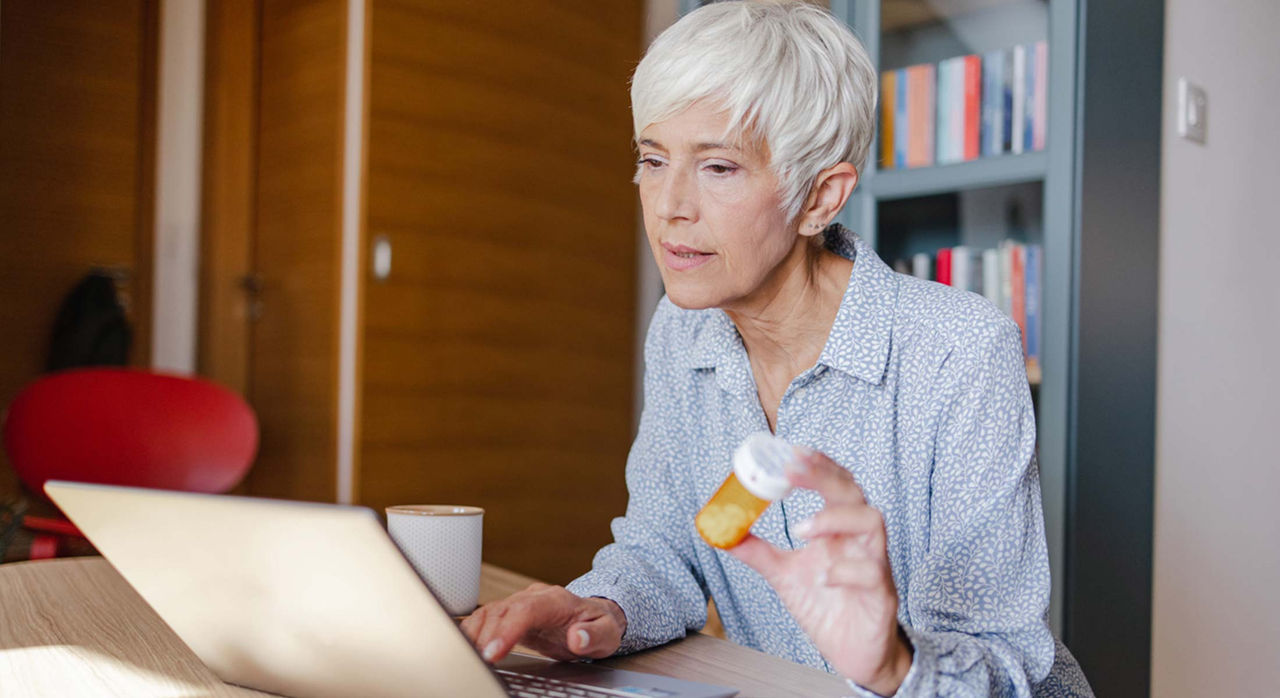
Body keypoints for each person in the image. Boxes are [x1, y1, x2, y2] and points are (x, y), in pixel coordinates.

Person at [461, 2, 1092, 695]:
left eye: (719, 167)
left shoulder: (959, 353)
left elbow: (1004, 653)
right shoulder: (681, 332)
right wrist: (600, 610)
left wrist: (893, 664)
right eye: (653, 159)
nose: (669, 205)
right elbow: (664, 548)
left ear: (820, 198)